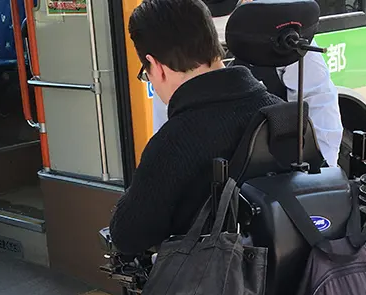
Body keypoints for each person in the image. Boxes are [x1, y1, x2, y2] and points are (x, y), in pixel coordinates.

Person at [108, 0, 281, 256]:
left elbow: (128, 236)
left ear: (154, 65)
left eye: (147, 74)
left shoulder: (175, 142)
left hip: (218, 291)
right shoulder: (283, 114)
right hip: (296, 287)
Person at [150, 0, 343, 168]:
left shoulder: (278, 29)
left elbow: (320, 111)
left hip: (272, 176)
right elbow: (166, 128)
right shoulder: (174, 34)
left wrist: (316, 180)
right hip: (206, 185)